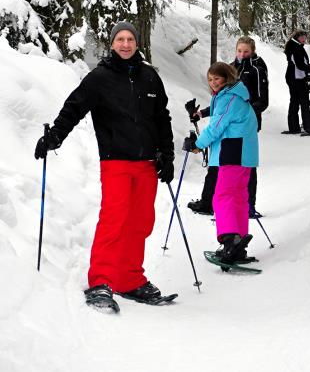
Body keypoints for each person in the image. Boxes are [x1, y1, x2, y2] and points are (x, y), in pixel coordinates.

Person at [34, 21, 175, 313]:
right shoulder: (100, 78)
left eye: (130, 39)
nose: (125, 44)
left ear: (137, 43)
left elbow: (162, 118)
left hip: (147, 163)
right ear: (112, 44)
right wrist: (54, 137)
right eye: (120, 39)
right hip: (117, 161)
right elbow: (74, 107)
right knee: (115, 220)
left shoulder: (150, 77)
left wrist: (167, 154)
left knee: (141, 222)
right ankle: (101, 281)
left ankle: (130, 279)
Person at [183, 62, 259, 263]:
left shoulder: (230, 98)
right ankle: (238, 242)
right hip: (243, 152)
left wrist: (197, 144)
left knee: (222, 197)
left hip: (234, 152)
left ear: (227, 78)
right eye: (210, 79)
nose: (213, 83)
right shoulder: (234, 95)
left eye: (217, 78)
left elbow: (216, 127)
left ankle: (230, 241)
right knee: (238, 197)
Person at [187, 36, 268, 217]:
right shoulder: (232, 68)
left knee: (243, 167)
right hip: (231, 126)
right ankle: (209, 201)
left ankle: (248, 206)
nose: (242, 54)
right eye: (239, 50)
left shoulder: (257, 69)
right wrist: (202, 113)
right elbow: (221, 107)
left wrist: (246, 116)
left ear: (253, 51)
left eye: (246, 51)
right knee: (219, 164)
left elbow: (261, 100)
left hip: (242, 128)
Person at [282, 29, 310, 135]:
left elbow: (300, 64)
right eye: (302, 37)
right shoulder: (295, 47)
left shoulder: (295, 46)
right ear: (296, 37)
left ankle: (294, 128)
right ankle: (309, 128)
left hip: (294, 78)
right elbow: (299, 65)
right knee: (304, 102)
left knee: (294, 102)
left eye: (305, 37)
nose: (304, 39)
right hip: (296, 79)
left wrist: (309, 71)